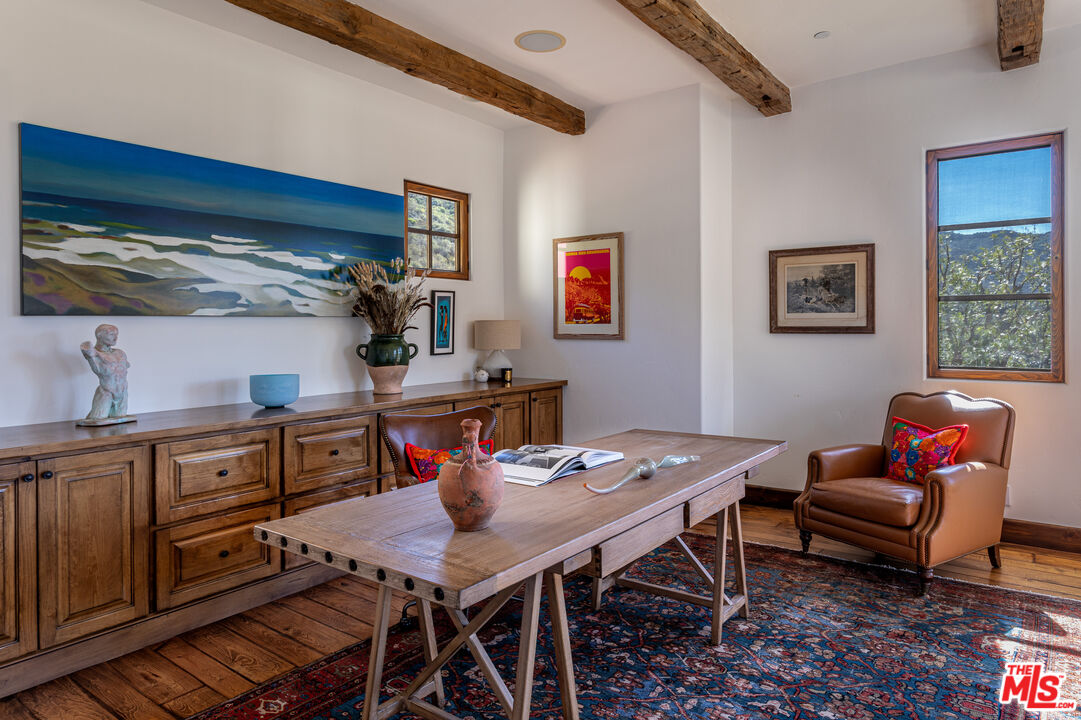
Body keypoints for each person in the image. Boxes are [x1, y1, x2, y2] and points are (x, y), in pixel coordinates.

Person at [80, 324, 131, 421]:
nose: (115, 338)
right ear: (99, 336)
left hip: (122, 392)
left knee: (121, 424)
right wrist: (90, 353)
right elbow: (96, 366)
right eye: (111, 334)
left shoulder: (120, 353)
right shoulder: (92, 353)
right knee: (97, 421)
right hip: (106, 392)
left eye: (117, 334)